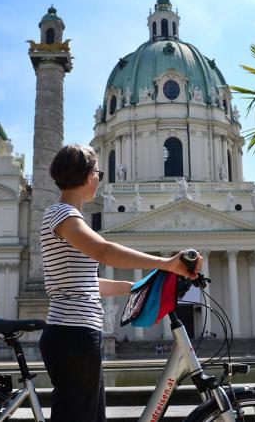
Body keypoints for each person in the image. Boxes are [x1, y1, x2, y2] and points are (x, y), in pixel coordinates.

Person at [38, 145, 202, 422]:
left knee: (89, 415)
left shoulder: (60, 214)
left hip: (71, 333)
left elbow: (86, 282)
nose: (100, 179)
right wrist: (165, 263)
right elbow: (104, 251)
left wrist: (136, 287)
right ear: (88, 176)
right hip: (74, 334)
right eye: (98, 173)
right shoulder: (64, 215)